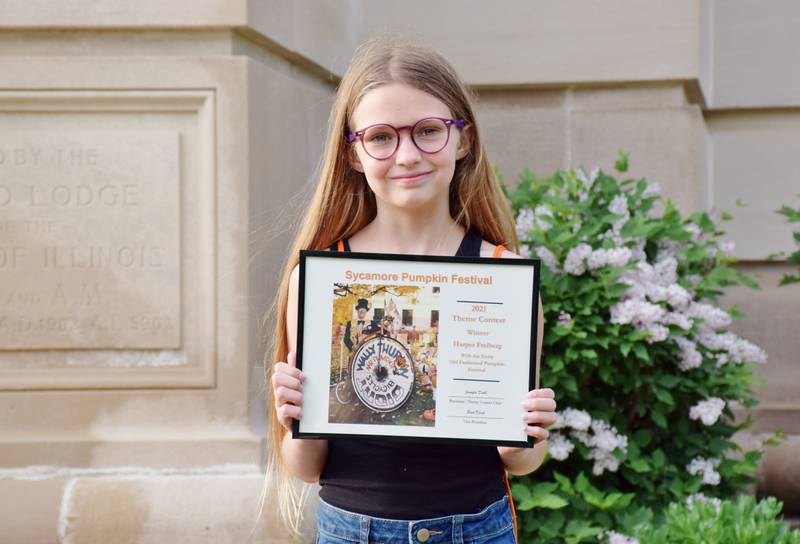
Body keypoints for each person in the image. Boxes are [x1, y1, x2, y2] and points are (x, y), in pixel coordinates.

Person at [264, 34, 557, 543]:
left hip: (476, 529)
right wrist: (293, 419)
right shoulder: (319, 280)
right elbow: (308, 466)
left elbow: (522, 461)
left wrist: (526, 433)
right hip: (351, 531)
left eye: (428, 130)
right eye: (380, 137)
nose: (406, 155)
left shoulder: (503, 278)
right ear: (353, 154)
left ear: (464, 140)